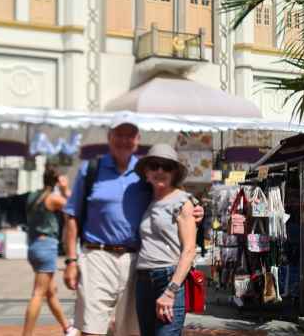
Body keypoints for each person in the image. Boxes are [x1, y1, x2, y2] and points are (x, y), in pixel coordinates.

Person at [63, 115, 203, 336]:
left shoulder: (143, 175)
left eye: (130, 135)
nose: (124, 140)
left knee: (129, 329)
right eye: (119, 134)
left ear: (137, 139)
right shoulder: (91, 169)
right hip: (97, 255)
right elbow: (71, 216)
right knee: (92, 327)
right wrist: (71, 260)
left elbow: (170, 196)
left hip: (136, 261)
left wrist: (194, 207)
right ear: (109, 137)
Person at [133, 144, 196, 336]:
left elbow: (189, 250)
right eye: (154, 165)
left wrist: (170, 291)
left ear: (174, 172)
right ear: (146, 171)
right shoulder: (145, 200)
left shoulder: (183, 201)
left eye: (166, 166)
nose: (160, 171)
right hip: (142, 281)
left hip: (168, 279)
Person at [22, 165, 78, 336]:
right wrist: (66, 189)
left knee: (50, 291)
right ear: (56, 181)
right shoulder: (53, 198)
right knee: (38, 293)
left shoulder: (33, 196)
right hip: (46, 246)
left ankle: (67, 328)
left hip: (33, 246)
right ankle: (26, 334)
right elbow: (73, 207)